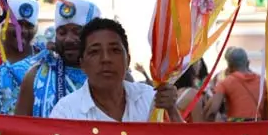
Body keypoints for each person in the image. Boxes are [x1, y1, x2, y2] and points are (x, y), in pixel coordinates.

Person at [49, 18, 180, 122]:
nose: (106, 59)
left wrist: (172, 110)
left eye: (115, 50)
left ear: (128, 60)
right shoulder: (66, 112)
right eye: (94, 52)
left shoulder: (150, 98)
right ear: (82, 64)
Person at [15, 0, 102, 117]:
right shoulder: (35, 77)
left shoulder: (112, 75)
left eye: (78, 32)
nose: (69, 39)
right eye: (62, 32)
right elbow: (19, 129)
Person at [207, 47, 263, 121]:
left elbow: (213, 110)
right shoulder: (262, 82)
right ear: (248, 63)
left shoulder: (225, 82)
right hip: (258, 126)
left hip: (236, 128)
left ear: (229, 66)